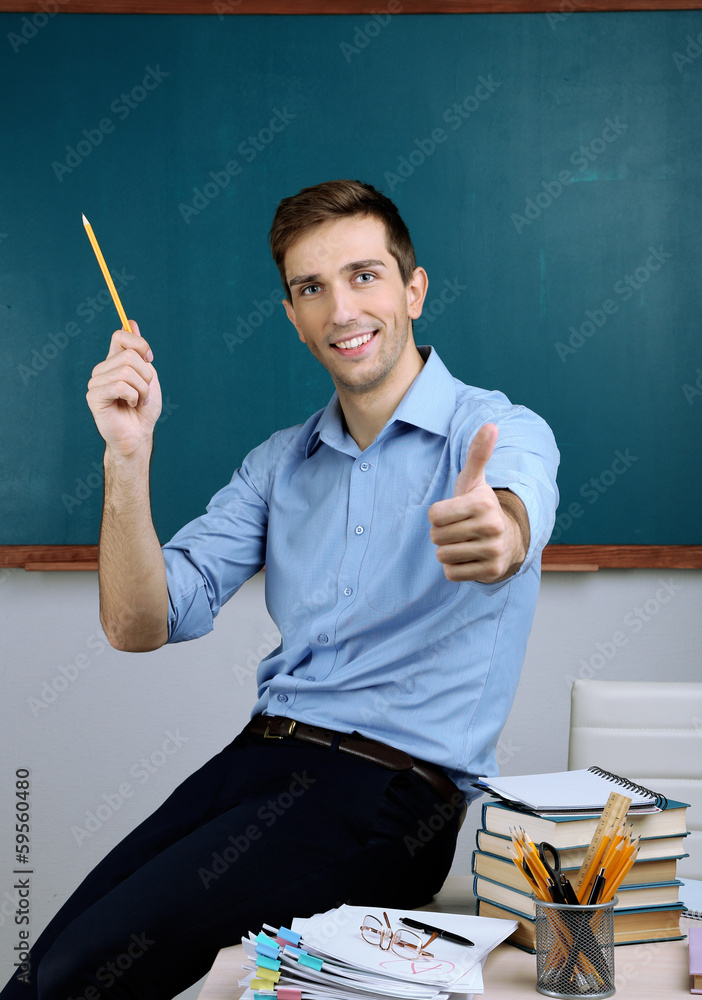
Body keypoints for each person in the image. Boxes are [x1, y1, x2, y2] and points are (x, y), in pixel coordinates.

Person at [1, 180, 558, 998]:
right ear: (293, 316)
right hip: (255, 764)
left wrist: (494, 532)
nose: (340, 310)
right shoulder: (276, 465)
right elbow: (137, 624)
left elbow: (508, 520)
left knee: (84, 976)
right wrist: (127, 454)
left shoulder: (499, 430)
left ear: (413, 289)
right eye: (311, 289)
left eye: (364, 276)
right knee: (39, 974)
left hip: (388, 797)